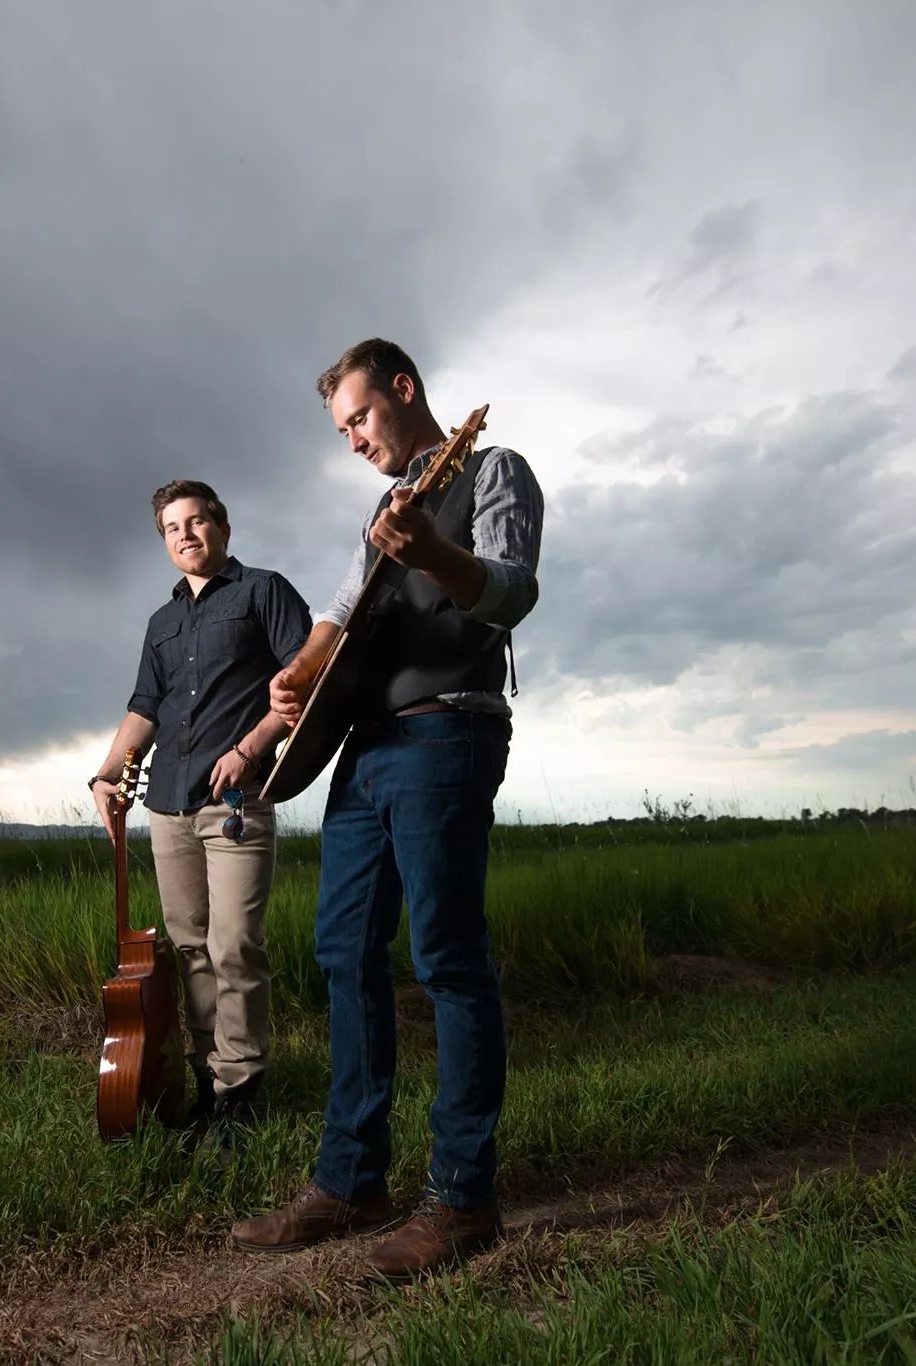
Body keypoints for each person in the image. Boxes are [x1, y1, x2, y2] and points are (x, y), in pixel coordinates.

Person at [230, 339, 543, 1280]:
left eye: (360, 418)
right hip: (364, 747)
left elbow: (511, 593)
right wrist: (296, 674)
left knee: (446, 957)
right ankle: (351, 1182)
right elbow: (338, 613)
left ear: (404, 389)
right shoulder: (383, 508)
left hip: (447, 731)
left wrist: (434, 552)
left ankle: (462, 1198)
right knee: (342, 951)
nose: (356, 440)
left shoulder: (494, 470)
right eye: (343, 431)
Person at [90, 479, 311, 1139]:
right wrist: (106, 774)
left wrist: (249, 749)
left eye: (195, 521)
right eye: (171, 528)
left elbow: (306, 680)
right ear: (164, 542)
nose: (184, 534)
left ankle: (240, 1091)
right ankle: (209, 1081)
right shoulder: (161, 624)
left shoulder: (264, 592)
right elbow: (145, 708)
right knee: (191, 948)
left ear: (222, 528)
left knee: (234, 944)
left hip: (235, 799)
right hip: (167, 804)